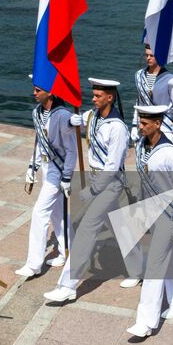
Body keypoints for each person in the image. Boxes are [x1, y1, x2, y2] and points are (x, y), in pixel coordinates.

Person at [45, 78, 133, 303]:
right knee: (120, 225)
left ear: (110, 98)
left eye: (97, 96)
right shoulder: (92, 116)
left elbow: (113, 167)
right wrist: (64, 116)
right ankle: (139, 267)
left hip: (109, 183)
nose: (93, 99)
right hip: (96, 177)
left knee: (86, 230)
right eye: (92, 95)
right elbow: (77, 120)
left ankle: (68, 286)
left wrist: (93, 190)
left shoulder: (118, 128)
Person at [128, 104, 173, 339]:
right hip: (150, 211)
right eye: (140, 123)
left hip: (169, 215)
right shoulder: (142, 146)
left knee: (154, 266)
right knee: (171, 259)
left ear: (158, 124)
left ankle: (145, 322)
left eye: (145, 124)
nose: (140, 127)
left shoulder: (170, 153)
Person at [16, 83, 77, 278]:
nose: (34, 93)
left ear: (50, 92)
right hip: (45, 166)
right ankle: (67, 250)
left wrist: (67, 176)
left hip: (57, 170)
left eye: (38, 90)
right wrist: (32, 166)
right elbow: (39, 141)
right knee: (57, 213)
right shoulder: (37, 112)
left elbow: (72, 149)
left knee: (39, 212)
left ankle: (33, 264)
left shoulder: (63, 116)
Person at [132, 43, 173, 146]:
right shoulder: (139, 75)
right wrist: (134, 125)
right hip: (144, 126)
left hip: (164, 127)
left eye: (152, 55)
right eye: (146, 55)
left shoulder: (170, 79)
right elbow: (139, 102)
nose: (148, 58)